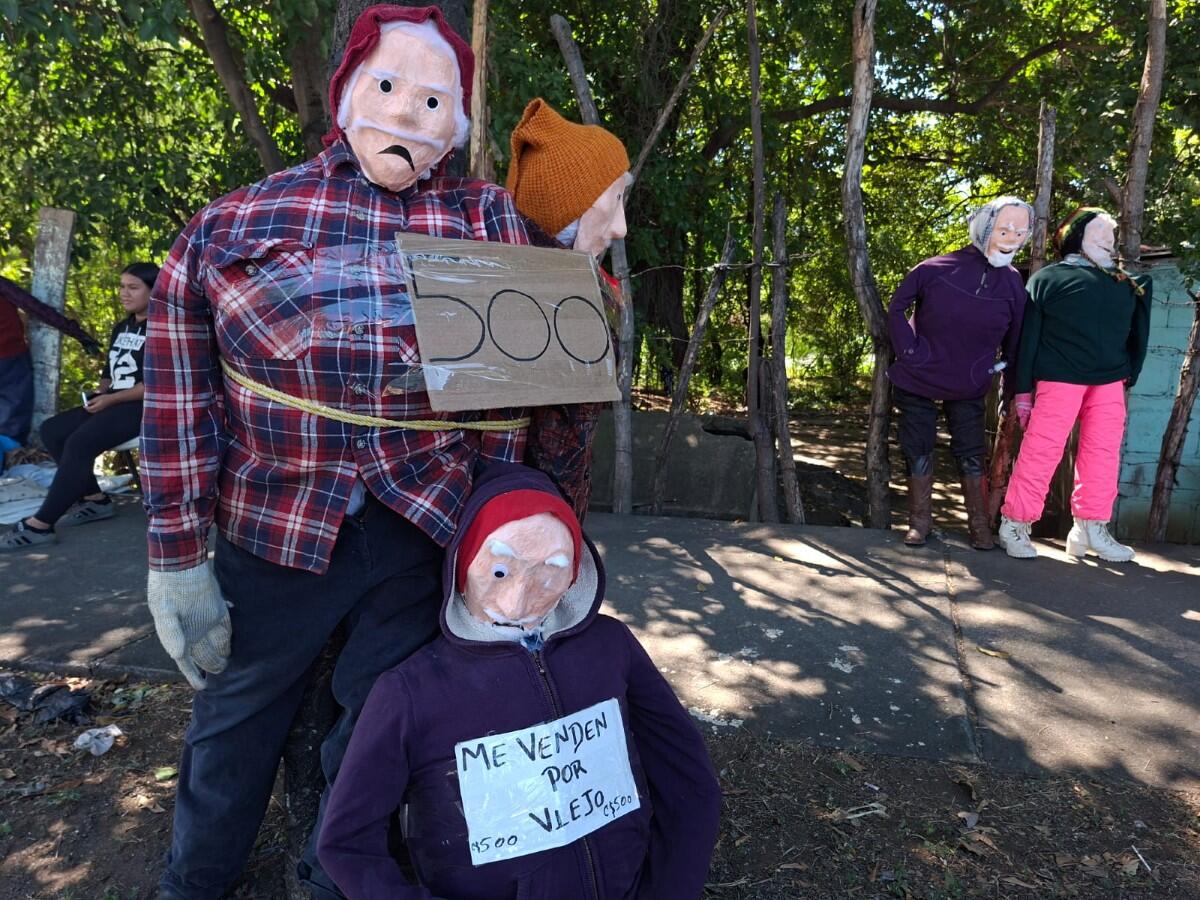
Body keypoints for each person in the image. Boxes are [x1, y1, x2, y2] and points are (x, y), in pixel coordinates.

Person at [139, 7, 572, 898]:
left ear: (455, 119)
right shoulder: (237, 221)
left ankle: (333, 873)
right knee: (236, 716)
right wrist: (176, 555)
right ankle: (194, 881)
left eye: (432, 99)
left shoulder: (486, 218)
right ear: (346, 95)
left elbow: (544, 370)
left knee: (386, 721)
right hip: (278, 522)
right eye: (389, 88)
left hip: (428, 526)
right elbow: (179, 394)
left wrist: (534, 525)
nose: (408, 115)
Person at [317, 463, 722, 899]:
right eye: (499, 572)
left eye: (549, 571)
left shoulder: (611, 647)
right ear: (463, 563)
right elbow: (347, 843)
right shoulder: (410, 691)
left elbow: (688, 778)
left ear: (574, 573)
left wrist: (670, 887)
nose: (518, 600)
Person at [997, 207, 1152, 562]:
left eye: (1110, 233)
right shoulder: (1048, 279)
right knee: (1042, 449)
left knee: (1103, 454)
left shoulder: (1125, 282)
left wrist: (1130, 372)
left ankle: (1090, 528)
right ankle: (1015, 523)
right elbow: (1028, 339)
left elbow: (1138, 334)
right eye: (1099, 231)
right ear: (1076, 235)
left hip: (1110, 380)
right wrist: (1022, 392)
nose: (1108, 239)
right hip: (1059, 377)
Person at [506, 98, 631, 520]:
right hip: (520, 535)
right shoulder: (532, 304)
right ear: (568, 212)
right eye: (614, 200)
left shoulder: (578, 293)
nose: (621, 227)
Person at [887, 197, 1033, 550]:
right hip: (918, 376)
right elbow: (896, 308)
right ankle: (919, 523)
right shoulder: (935, 268)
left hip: (970, 382)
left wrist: (1010, 384)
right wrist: (909, 351)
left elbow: (1017, 342)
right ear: (984, 228)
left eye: (1019, 231)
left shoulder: (1013, 285)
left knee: (971, 450)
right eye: (1003, 229)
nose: (1011, 237)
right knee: (918, 446)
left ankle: (979, 527)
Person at [1, 262, 156, 551]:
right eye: (122, 286)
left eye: (133, 287)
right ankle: (96, 500)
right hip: (115, 401)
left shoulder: (163, 328)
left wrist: (110, 400)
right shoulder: (122, 326)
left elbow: (155, 384)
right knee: (53, 430)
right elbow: (109, 373)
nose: (124, 293)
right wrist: (100, 392)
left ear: (155, 291)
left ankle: (41, 525)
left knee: (79, 442)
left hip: (145, 406)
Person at [0, 274, 99, 450]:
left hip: (10, 356)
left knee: (13, 417)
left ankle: (9, 458)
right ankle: (10, 457)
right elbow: (35, 308)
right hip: (11, 357)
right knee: (14, 419)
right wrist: (78, 333)